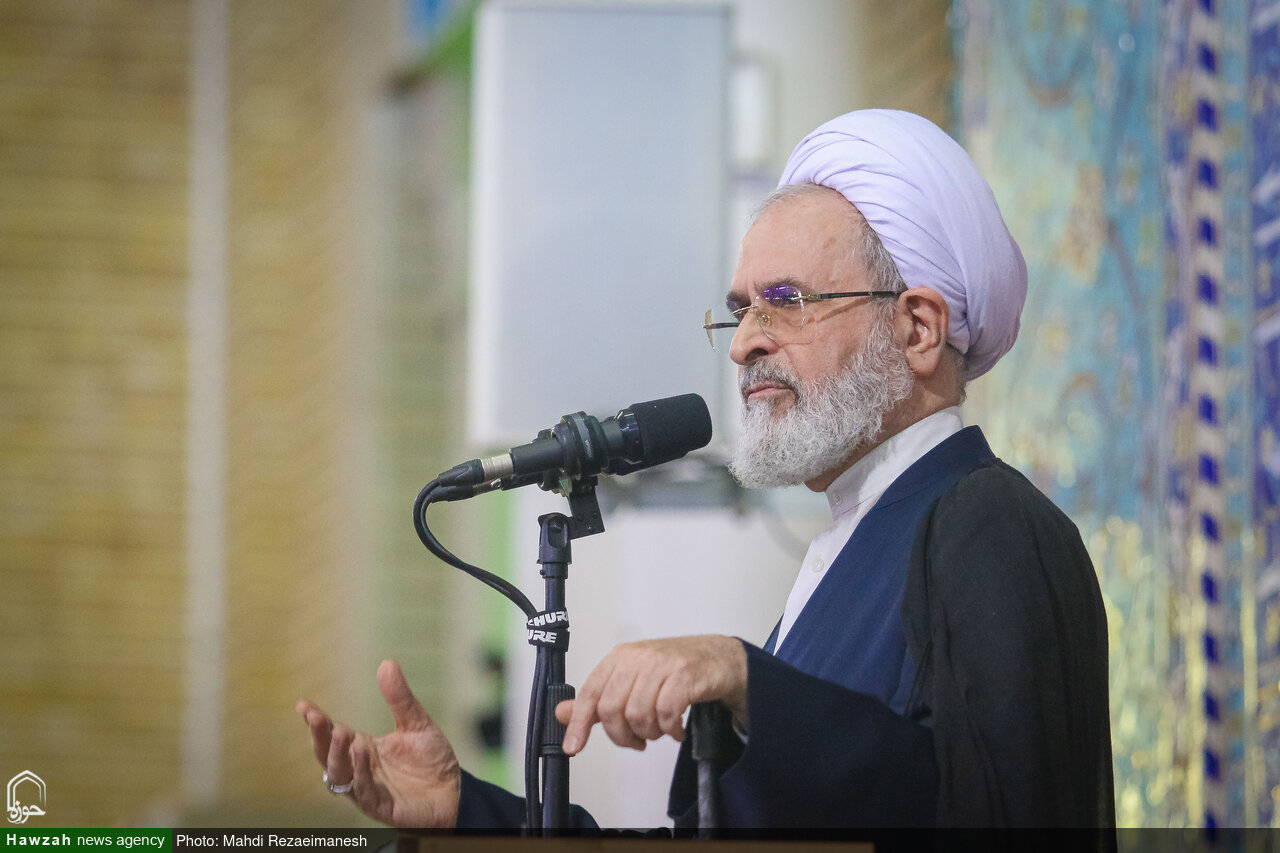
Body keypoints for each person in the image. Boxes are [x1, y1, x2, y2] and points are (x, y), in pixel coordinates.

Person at [297, 109, 1115, 831]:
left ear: (919, 329)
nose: (745, 341)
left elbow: (995, 813)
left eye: (786, 300)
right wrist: (465, 812)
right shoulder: (853, 547)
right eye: (739, 309)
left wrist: (745, 677)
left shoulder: (989, 525)